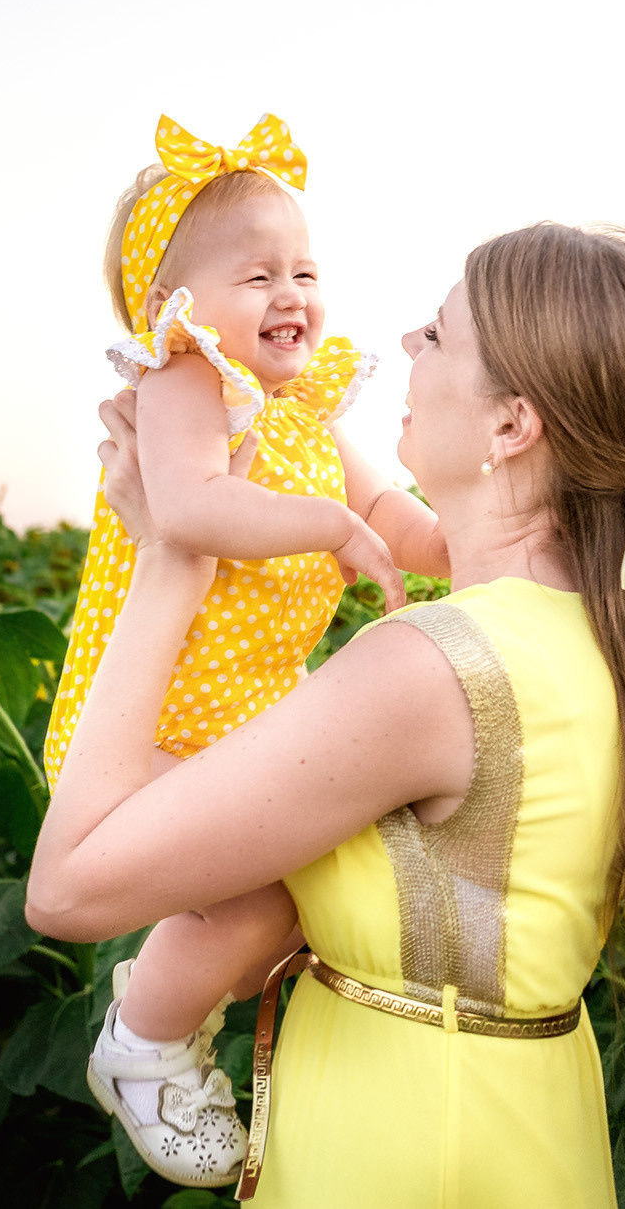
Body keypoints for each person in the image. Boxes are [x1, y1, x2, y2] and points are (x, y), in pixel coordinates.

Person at [28, 223, 625, 1207]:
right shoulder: (610, 637)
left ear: (511, 425)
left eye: (439, 335)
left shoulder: (429, 669)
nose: (405, 344)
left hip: (399, 1157)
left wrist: (170, 562)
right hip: (525, 1135)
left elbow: (66, 891)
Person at [41, 112, 450, 1186]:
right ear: (171, 308)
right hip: (151, 723)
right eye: (257, 275)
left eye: (304, 271)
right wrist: (328, 526)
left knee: (301, 889)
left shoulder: (304, 410)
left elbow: (392, 514)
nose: (290, 295)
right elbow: (187, 507)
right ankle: (144, 1040)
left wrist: (467, 545)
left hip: (244, 724)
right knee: (261, 895)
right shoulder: (186, 383)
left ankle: (183, 1012)